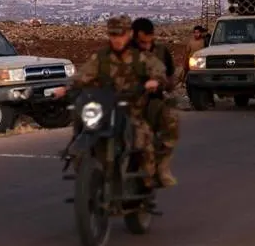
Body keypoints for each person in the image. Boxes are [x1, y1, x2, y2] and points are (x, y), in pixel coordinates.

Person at [56, 15, 168, 188]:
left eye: (121, 34)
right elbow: (83, 75)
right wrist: (66, 88)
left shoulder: (141, 57)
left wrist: (155, 81)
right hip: (105, 108)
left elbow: (159, 71)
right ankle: (87, 178)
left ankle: (145, 183)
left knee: (143, 140)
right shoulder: (101, 58)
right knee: (82, 133)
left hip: (132, 109)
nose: (117, 39)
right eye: (113, 35)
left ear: (129, 34)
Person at [130, 17, 180, 187]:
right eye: (141, 42)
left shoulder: (160, 51)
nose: (145, 45)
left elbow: (169, 77)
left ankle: (161, 167)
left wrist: (160, 83)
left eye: (148, 40)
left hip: (152, 100)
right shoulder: (126, 52)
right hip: (128, 100)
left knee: (170, 122)